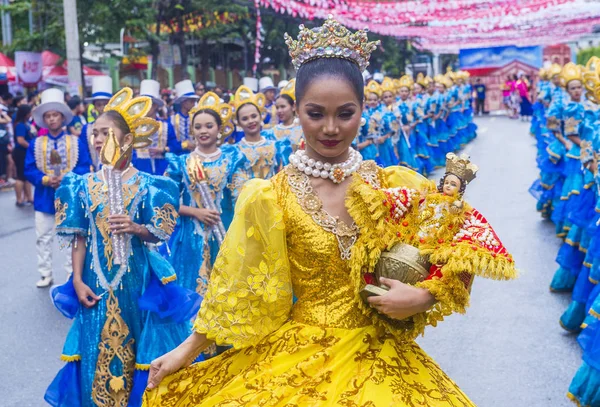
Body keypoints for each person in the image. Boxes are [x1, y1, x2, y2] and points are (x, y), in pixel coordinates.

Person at [142, 17, 515, 406]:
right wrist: (184, 351)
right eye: (316, 114)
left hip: (383, 359)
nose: (331, 128)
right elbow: (237, 289)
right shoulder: (270, 197)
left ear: (362, 109)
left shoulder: (392, 186)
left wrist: (424, 297)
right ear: (295, 111)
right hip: (299, 358)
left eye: (346, 113)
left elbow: (462, 246)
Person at [44, 87, 200, 407]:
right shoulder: (82, 185)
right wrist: (76, 279)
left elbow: (158, 235)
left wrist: (137, 228)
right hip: (96, 282)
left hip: (139, 282)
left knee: (140, 351)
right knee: (94, 350)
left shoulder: (148, 185)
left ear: (127, 140)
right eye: (94, 134)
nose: (97, 140)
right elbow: (81, 237)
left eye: (105, 133)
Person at [163, 91, 242, 298]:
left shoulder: (233, 159)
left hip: (226, 230)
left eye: (209, 126)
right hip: (191, 236)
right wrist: (195, 212)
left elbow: (242, 198)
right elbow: (165, 202)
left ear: (220, 130)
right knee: (193, 295)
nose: (203, 131)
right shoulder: (180, 163)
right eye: (197, 127)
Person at [25, 88, 90, 288]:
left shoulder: (75, 142)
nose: (52, 119)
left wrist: (67, 177)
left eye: (55, 115)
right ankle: (45, 273)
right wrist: (45, 179)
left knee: (71, 235)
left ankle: (73, 273)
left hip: (69, 196)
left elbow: (84, 166)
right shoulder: (36, 143)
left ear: (62, 118)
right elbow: (28, 168)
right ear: (44, 120)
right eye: (48, 116)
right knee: (43, 236)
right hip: (44, 197)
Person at [133, 79, 178, 175]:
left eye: (148, 104)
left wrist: (163, 150)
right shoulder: (133, 126)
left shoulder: (166, 126)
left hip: (162, 169)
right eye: (142, 105)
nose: (145, 108)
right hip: (139, 170)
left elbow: (175, 145)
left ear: (155, 106)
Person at [80, 76, 113, 171]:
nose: (102, 108)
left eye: (105, 104)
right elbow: (84, 152)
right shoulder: (87, 129)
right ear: (94, 106)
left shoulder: (118, 126)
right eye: (99, 105)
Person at [271, 78, 304, 152]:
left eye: (283, 107)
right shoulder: (271, 133)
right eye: (277, 107)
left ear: (293, 107)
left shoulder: (303, 130)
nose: (279, 111)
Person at [12, 104, 34, 206]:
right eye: (30, 112)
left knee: (26, 175)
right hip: (21, 152)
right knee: (20, 176)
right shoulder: (20, 125)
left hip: (25, 152)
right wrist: (32, 146)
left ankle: (29, 197)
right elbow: (20, 140)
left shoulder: (26, 123)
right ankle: (19, 200)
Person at [170, 80, 200, 154]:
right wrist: (183, 145)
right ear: (184, 102)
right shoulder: (172, 120)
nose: (194, 104)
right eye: (191, 101)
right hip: (178, 156)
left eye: (194, 101)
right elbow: (170, 141)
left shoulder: (197, 118)